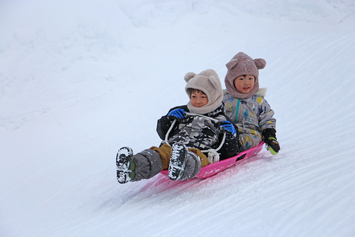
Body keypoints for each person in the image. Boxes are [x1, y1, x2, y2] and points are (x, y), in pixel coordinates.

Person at [116, 69, 239, 184]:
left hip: (202, 152)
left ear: (213, 97)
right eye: (193, 96)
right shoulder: (182, 112)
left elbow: (229, 153)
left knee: (194, 157)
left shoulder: (221, 119)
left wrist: (231, 136)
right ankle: (132, 167)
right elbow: (164, 133)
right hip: (173, 147)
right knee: (159, 154)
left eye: (203, 97)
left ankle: (181, 165)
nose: (197, 101)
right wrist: (168, 119)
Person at [223, 52, 280, 155]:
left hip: (249, 132)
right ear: (231, 80)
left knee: (253, 139)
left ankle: (230, 148)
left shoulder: (257, 100)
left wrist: (270, 135)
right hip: (227, 132)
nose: (247, 82)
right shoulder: (224, 98)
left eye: (250, 78)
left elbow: (267, 118)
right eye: (241, 78)